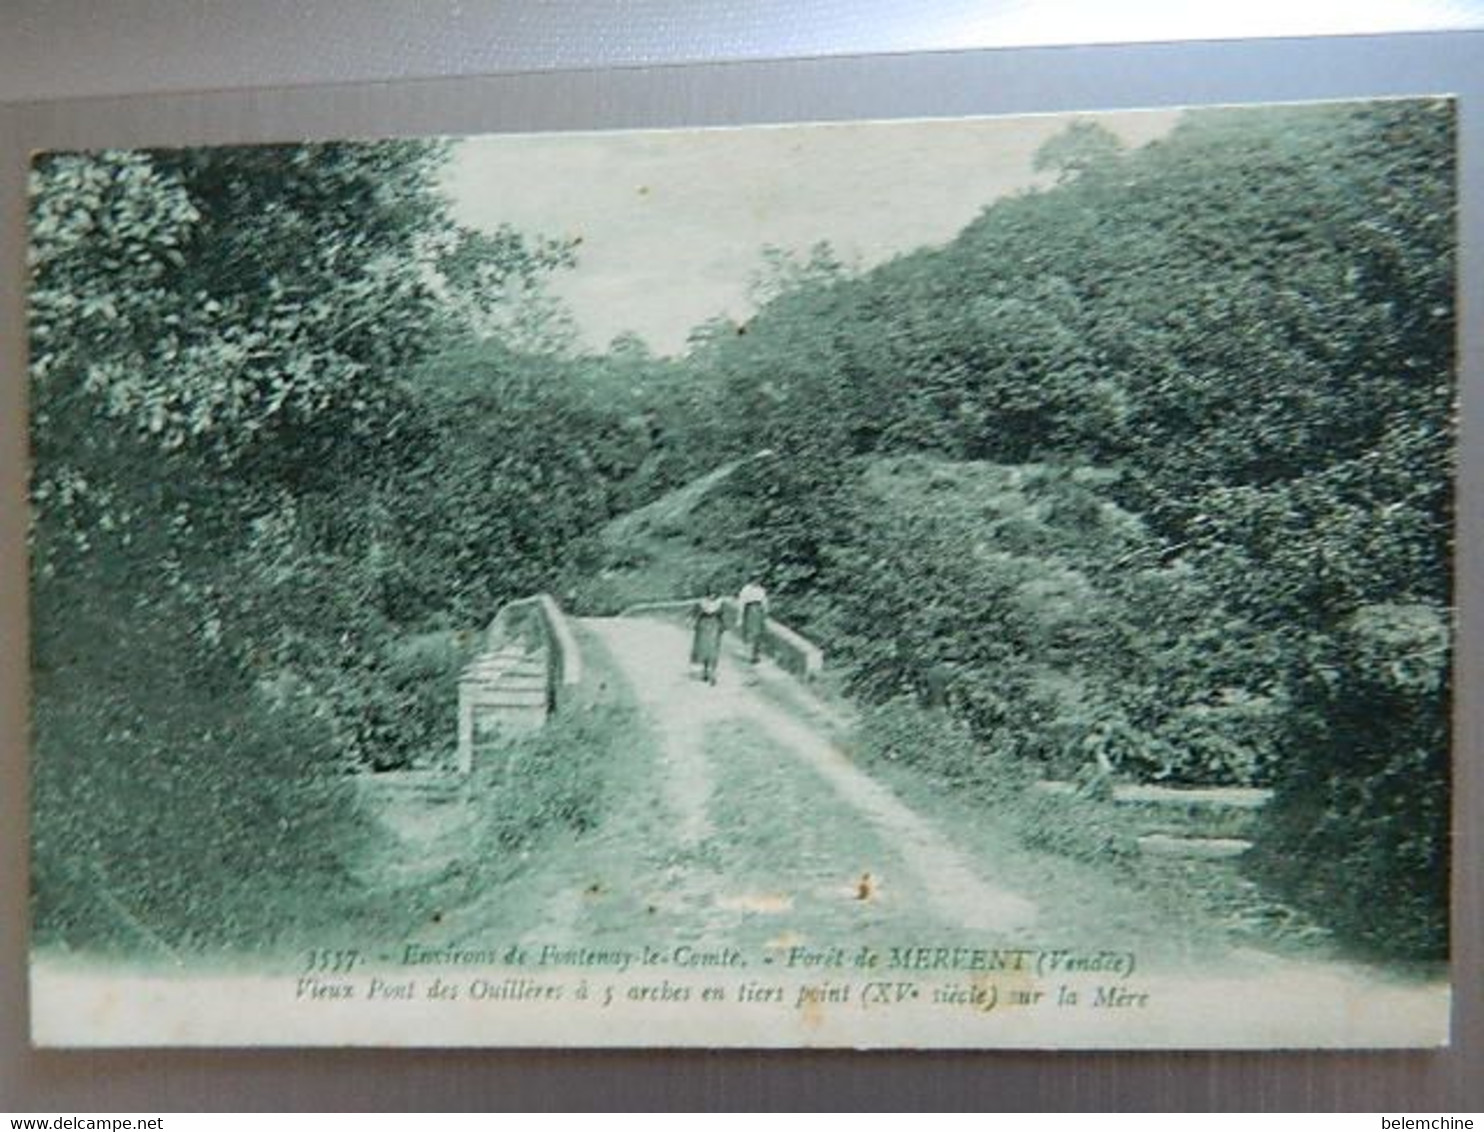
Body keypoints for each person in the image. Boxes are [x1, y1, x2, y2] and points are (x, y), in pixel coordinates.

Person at [689, 593, 726, 685]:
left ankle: (712, 673)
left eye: (714, 594)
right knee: (704, 649)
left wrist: (722, 625)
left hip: (714, 626)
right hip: (703, 626)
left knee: (713, 650)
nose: (712, 596)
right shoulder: (702, 602)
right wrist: (695, 623)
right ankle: (705, 671)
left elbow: (721, 616)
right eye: (711, 594)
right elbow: (695, 615)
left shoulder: (719, 603)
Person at [737, 579, 769, 664]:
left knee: (758, 634)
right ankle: (750, 655)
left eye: (758, 580)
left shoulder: (761, 589)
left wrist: (765, 612)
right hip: (749, 611)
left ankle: (755, 654)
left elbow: (764, 601)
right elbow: (741, 603)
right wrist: (740, 617)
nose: (756, 581)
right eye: (755, 579)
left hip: (759, 611)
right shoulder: (746, 589)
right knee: (751, 633)